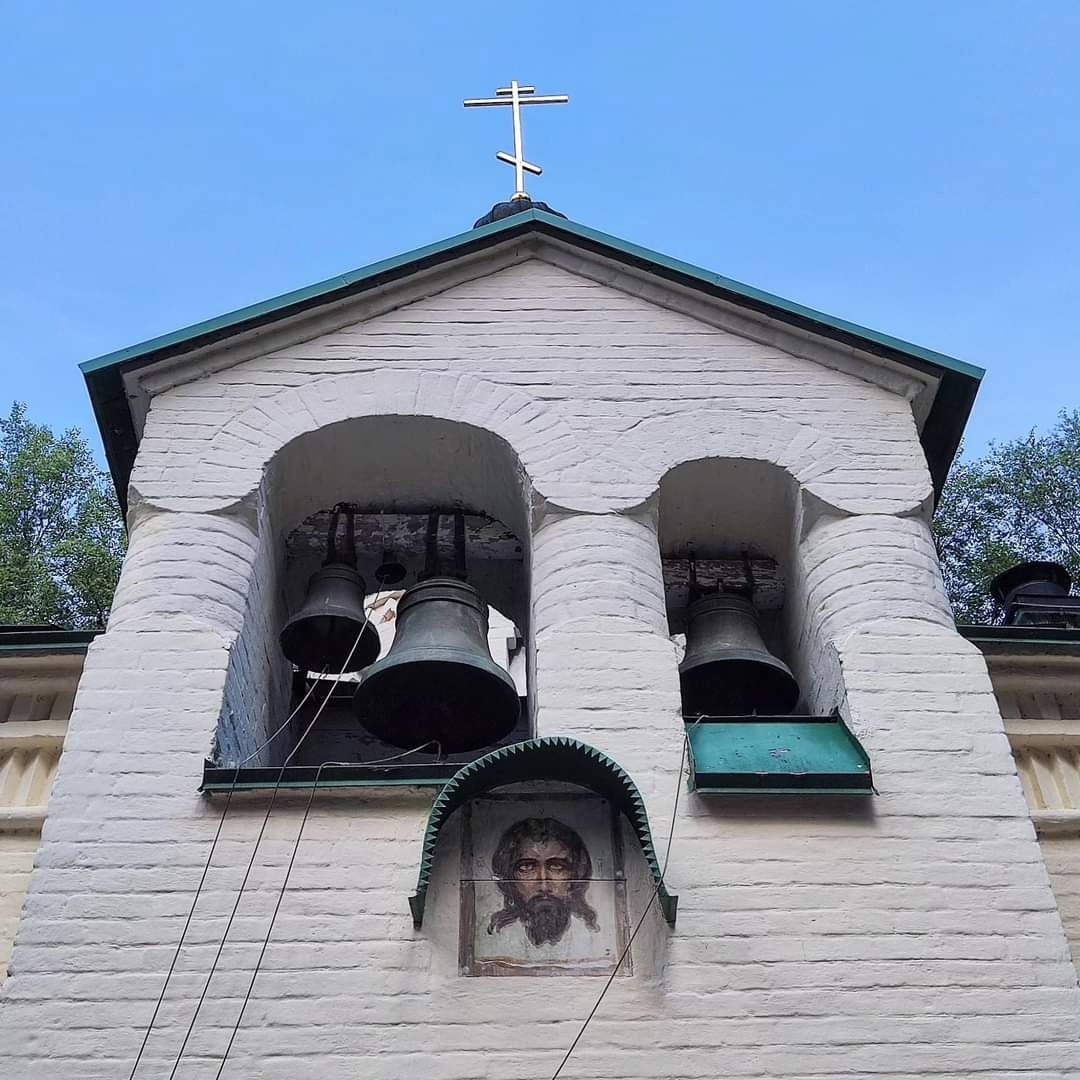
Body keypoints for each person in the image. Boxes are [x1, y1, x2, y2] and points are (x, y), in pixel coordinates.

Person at [487, 817, 599, 947]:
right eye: (526, 867)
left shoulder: (592, 937)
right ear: (510, 877)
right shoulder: (500, 937)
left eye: (557, 867)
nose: (544, 886)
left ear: (575, 875)